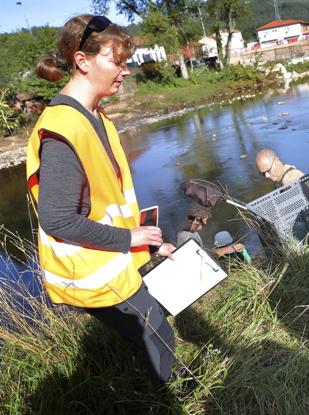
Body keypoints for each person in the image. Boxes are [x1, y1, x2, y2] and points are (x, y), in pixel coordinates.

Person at [25, 15, 177, 385]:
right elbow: (57, 219)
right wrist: (131, 240)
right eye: (117, 61)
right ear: (82, 61)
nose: (125, 71)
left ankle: (163, 387)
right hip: (90, 271)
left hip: (110, 260)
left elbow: (108, 202)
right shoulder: (64, 129)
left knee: (152, 329)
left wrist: (147, 244)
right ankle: (174, 397)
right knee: (156, 332)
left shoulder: (95, 115)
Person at [176, 203, 248, 261]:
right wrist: (232, 249)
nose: (205, 223)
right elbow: (202, 258)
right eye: (205, 220)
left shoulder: (188, 232)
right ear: (197, 220)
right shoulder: (188, 238)